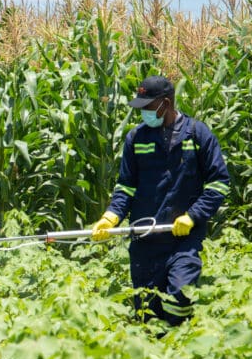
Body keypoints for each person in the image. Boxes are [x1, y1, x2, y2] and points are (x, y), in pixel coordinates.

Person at [91, 75, 230, 330]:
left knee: (179, 296)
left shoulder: (197, 134)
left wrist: (193, 215)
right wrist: (111, 215)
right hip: (145, 240)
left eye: (147, 106)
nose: (143, 111)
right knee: (147, 313)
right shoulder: (136, 138)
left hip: (183, 239)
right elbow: (126, 186)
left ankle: (181, 348)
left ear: (165, 104)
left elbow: (219, 182)